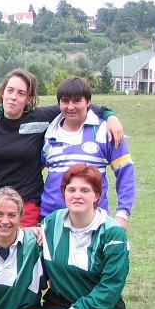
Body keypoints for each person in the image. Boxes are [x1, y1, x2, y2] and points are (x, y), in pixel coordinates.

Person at [0, 69, 123, 228]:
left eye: (21, 93)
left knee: (24, 251)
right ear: (2, 92)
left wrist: (110, 115)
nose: (13, 97)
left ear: (28, 98)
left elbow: (77, 105)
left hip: (27, 205)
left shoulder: (41, 118)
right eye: (10, 90)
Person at [41, 164, 130, 309]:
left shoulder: (112, 232)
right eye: (71, 189)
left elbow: (111, 287)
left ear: (97, 196)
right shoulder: (50, 223)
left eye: (85, 190)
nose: (77, 195)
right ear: (63, 193)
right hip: (61, 301)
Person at [41, 77, 136, 228]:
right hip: (52, 220)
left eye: (77, 101)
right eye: (65, 101)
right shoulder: (48, 132)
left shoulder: (107, 130)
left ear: (88, 102)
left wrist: (122, 213)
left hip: (94, 222)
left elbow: (125, 172)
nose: (70, 107)